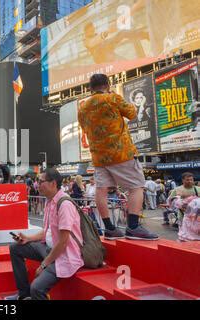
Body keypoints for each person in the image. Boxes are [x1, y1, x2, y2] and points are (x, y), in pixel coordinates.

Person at [78, 74, 158, 240]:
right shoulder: (113, 98)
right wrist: (112, 94)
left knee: (101, 190)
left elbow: (85, 127)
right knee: (136, 187)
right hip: (121, 153)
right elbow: (132, 113)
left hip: (99, 157)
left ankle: (109, 229)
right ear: (107, 84)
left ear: (90, 88)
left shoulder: (83, 107)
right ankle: (133, 227)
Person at [9, 168, 83, 300]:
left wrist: (44, 264)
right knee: (15, 247)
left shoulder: (65, 204)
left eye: (40, 181)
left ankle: (30, 294)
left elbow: (63, 242)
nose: (37, 184)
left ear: (53, 183)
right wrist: (28, 238)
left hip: (63, 256)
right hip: (48, 249)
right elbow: (47, 231)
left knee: (36, 288)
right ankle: (23, 294)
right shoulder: (50, 201)